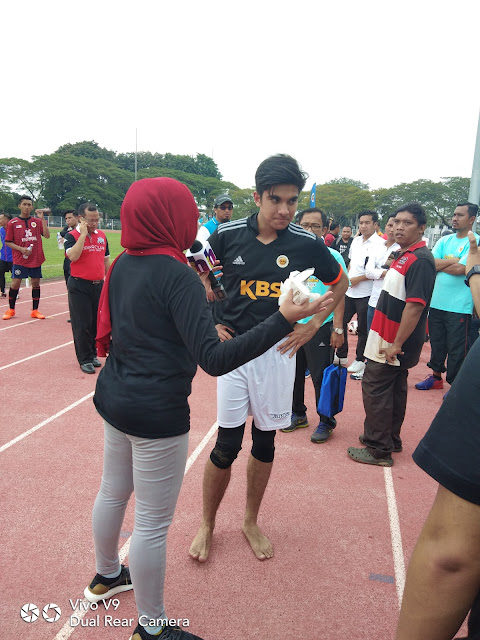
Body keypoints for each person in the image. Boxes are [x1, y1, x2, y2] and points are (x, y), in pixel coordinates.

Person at [87, 176, 333, 640]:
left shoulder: (123, 262)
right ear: (168, 217)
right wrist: (283, 318)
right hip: (156, 410)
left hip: (114, 396)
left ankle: (106, 574)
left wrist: (203, 303)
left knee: (113, 492)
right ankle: (152, 628)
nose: (191, 221)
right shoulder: (175, 272)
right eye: (184, 210)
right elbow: (214, 360)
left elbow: (145, 324)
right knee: (152, 524)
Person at [189, 154, 348, 563]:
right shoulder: (226, 235)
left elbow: (340, 281)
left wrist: (313, 325)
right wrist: (210, 323)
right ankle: (207, 523)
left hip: (279, 354)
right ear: (257, 197)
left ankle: (250, 521)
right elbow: (195, 277)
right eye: (275, 199)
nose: (284, 210)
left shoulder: (306, 242)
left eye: (292, 201)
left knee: (265, 441)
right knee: (226, 445)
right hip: (234, 354)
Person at [395, 230, 480, 640]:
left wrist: (472, 270)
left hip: (458, 314)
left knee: (458, 356)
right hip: (443, 308)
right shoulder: (440, 245)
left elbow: (451, 558)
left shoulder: (433, 254)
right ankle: (439, 377)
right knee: (443, 352)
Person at [347, 202, 436, 466]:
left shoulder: (420, 260)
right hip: (385, 334)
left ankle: (378, 448)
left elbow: (415, 306)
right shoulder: (403, 254)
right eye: (396, 222)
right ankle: (390, 439)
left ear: (421, 228)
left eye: (407, 223)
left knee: (375, 387)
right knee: (395, 389)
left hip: (393, 340)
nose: (399, 227)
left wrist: (397, 343)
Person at [282, 207, 348, 443]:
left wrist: (337, 328)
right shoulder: (290, 255)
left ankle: (326, 421)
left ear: (325, 229)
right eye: (305, 225)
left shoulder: (332, 256)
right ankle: (298, 413)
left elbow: (339, 293)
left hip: (320, 325)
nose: (309, 230)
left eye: (315, 226)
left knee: (320, 375)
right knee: (294, 373)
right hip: (293, 324)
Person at [415, 202, 479, 391]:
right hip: (437, 302)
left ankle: (456, 387)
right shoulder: (445, 240)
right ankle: (436, 377)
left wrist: (445, 264)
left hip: (460, 306)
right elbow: (430, 263)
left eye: (460, 215)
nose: (454, 218)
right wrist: (453, 262)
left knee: (458, 348)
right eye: (454, 214)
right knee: (437, 343)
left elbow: (463, 269)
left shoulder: (475, 241)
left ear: (472, 219)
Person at [334, 210, 384, 373]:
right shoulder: (355, 241)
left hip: (367, 293)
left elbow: (376, 270)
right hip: (349, 291)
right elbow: (351, 263)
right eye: (361, 223)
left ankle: (360, 359)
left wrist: (358, 279)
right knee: (340, 322)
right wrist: (348, 278)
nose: (363, 226)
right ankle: (341, 354)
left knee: (363, 328)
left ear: (375, 225)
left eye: (367, 223)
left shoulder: (380, 244)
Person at [64, 203, 110, 374]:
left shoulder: (102, 236)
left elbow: (106, 259)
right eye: (91, 220)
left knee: (95, 323)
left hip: (98, 285)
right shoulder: (71, 236)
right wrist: (83, 234)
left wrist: (109, 280)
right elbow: (73, 256)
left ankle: (92, 354)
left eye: (97, 220)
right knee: (82, 324)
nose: (94, 223)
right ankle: (85, 359)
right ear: (81, 219)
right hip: (79, 285)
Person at [2, 196, 50, 320]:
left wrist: (42, 219)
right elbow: (8, 242)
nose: (27, 207)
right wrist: (21, 249)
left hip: (35, 258)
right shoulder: (12, 223)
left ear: (32, 207)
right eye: (24, 204)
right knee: (15, 283)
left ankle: (35, 310)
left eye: (29, 205)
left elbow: (47, 235)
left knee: (35, 283)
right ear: (19, 206)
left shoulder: (37, 221)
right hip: (20, 258)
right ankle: (11, 309)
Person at [60, 209, 79, 285]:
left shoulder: (81, 230)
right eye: (66, 218)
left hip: (77, 260)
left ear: (77, 217)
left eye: (70, 218)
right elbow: (62, 233)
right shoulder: (67, 229)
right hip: (67, 259)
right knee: (69, 284)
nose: (67, 220)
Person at [0, 213, 13, 297]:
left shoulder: (13, 229)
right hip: (3, 257)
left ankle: (15, 292)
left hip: (13, 257)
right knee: (0, 273)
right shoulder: (1, 230)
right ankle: (2, 291)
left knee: (15, 276)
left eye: (0, 219)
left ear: (6, 220)